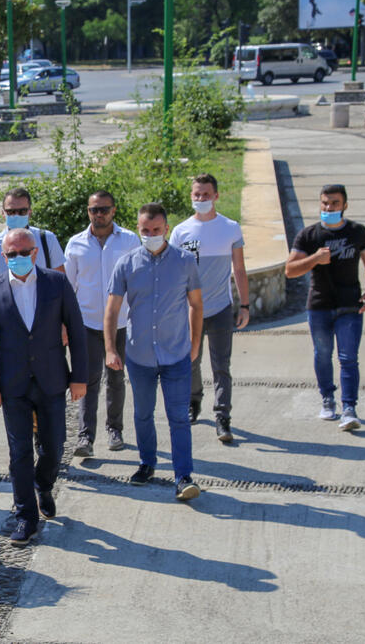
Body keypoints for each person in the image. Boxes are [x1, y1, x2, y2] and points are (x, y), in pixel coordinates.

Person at [0, 228, 87, 546]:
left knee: (54, 447)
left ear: (35, 253)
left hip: (52, 378)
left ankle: (43, 483)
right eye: (12, 254)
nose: (18, 258)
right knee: (20, 452)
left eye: (24, 252)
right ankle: (26, 517)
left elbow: (77, 331)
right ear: (4, 256)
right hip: (13, 384)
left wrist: (79, 377)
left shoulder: (56, 283)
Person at [104, 203, 203, 501]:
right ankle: (147, 464)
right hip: (140, 355)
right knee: (143, 414)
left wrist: (195, 345)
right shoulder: (126, 264)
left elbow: (197, 305)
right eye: (145, 231)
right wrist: (110, 349)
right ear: (138, 229)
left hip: (176, 355)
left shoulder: (186, 261)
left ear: (167, 229)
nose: (151, 235)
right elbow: (112, 310)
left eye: (157, 230)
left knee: (178, 417)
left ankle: (183, 475)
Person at [286, 184, 365, 431]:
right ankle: (328, 399)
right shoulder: (309, 235)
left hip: (350, 306)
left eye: (335, 203)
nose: (329, 207)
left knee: (348, 358)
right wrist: (315, 258)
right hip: (319, 306)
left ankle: (349, 408)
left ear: (345, 205)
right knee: (323, 355)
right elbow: (290, 269)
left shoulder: (358, 232)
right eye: (325, 203)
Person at [169, 173, 249, 443]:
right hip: (190, 310)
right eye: (196, 194)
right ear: (191, 196)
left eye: (205, 194)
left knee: (221, 365)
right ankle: (194, 402)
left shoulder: (230, 228)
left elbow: (239, 268)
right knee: (191, 360)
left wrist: (245, 305)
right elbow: (173, 272)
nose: (201, 199)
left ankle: (222, 415)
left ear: (216, 196)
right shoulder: (181, 231)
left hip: (221, 309)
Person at [64, 191, 141, 458]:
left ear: (114, 210)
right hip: (87, 324)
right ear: (88, 212)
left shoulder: (130, 241)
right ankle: (85, 437)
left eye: (104, 209)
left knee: (117, 379)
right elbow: (68, 289)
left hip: (121, 324)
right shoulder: (76, 244)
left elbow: (138, 282)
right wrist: (65, 325)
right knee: (87, 381)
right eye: (94, 209)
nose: (99, 214)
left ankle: (114, 430)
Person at [0, 187, 65, 320]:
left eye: (22, 211)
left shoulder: (47, 240)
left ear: (30, 212)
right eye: (11, 212)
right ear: (3, 213)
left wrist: (64, 324)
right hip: (7, 322)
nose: (16, 215)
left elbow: (62, 285)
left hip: (45, 320)